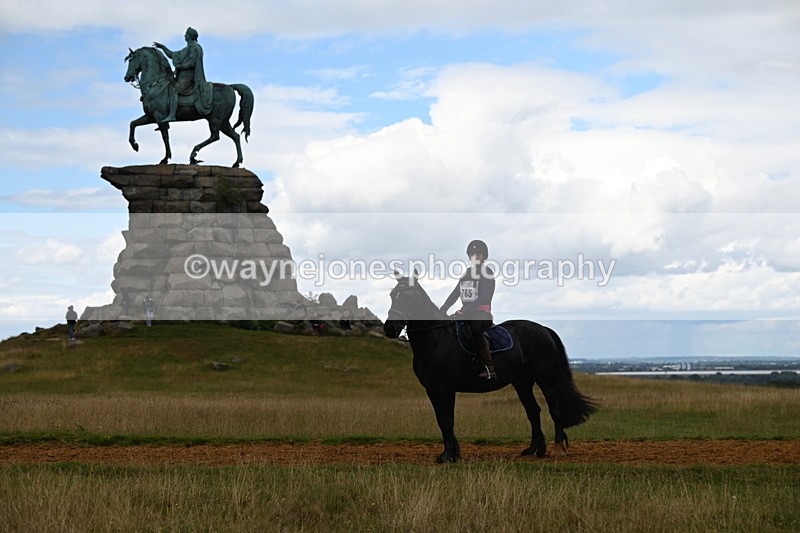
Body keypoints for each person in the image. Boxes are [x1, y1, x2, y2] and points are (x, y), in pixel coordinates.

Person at [440, 240, 497, 379]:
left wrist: (466, 310)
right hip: (466, 313)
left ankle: (489, 367)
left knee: (475, 330)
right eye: (473, 254)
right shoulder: (467, 273)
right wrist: (443, 309)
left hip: (482, 313)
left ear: (484, 256)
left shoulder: (487, 273)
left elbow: (484, 297)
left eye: (479, 254)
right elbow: (455, 293)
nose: (476, 257)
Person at [153, 27, 210, 122]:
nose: (184, 35)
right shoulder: (186, 49)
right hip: (182, 77)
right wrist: (163, 47)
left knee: (174, 90)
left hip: (189, 78)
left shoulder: (195, 47)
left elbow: (192, 63)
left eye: (186, 34)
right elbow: (172, 55)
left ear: (190, 36)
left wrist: (180, 67)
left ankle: (172, 115)